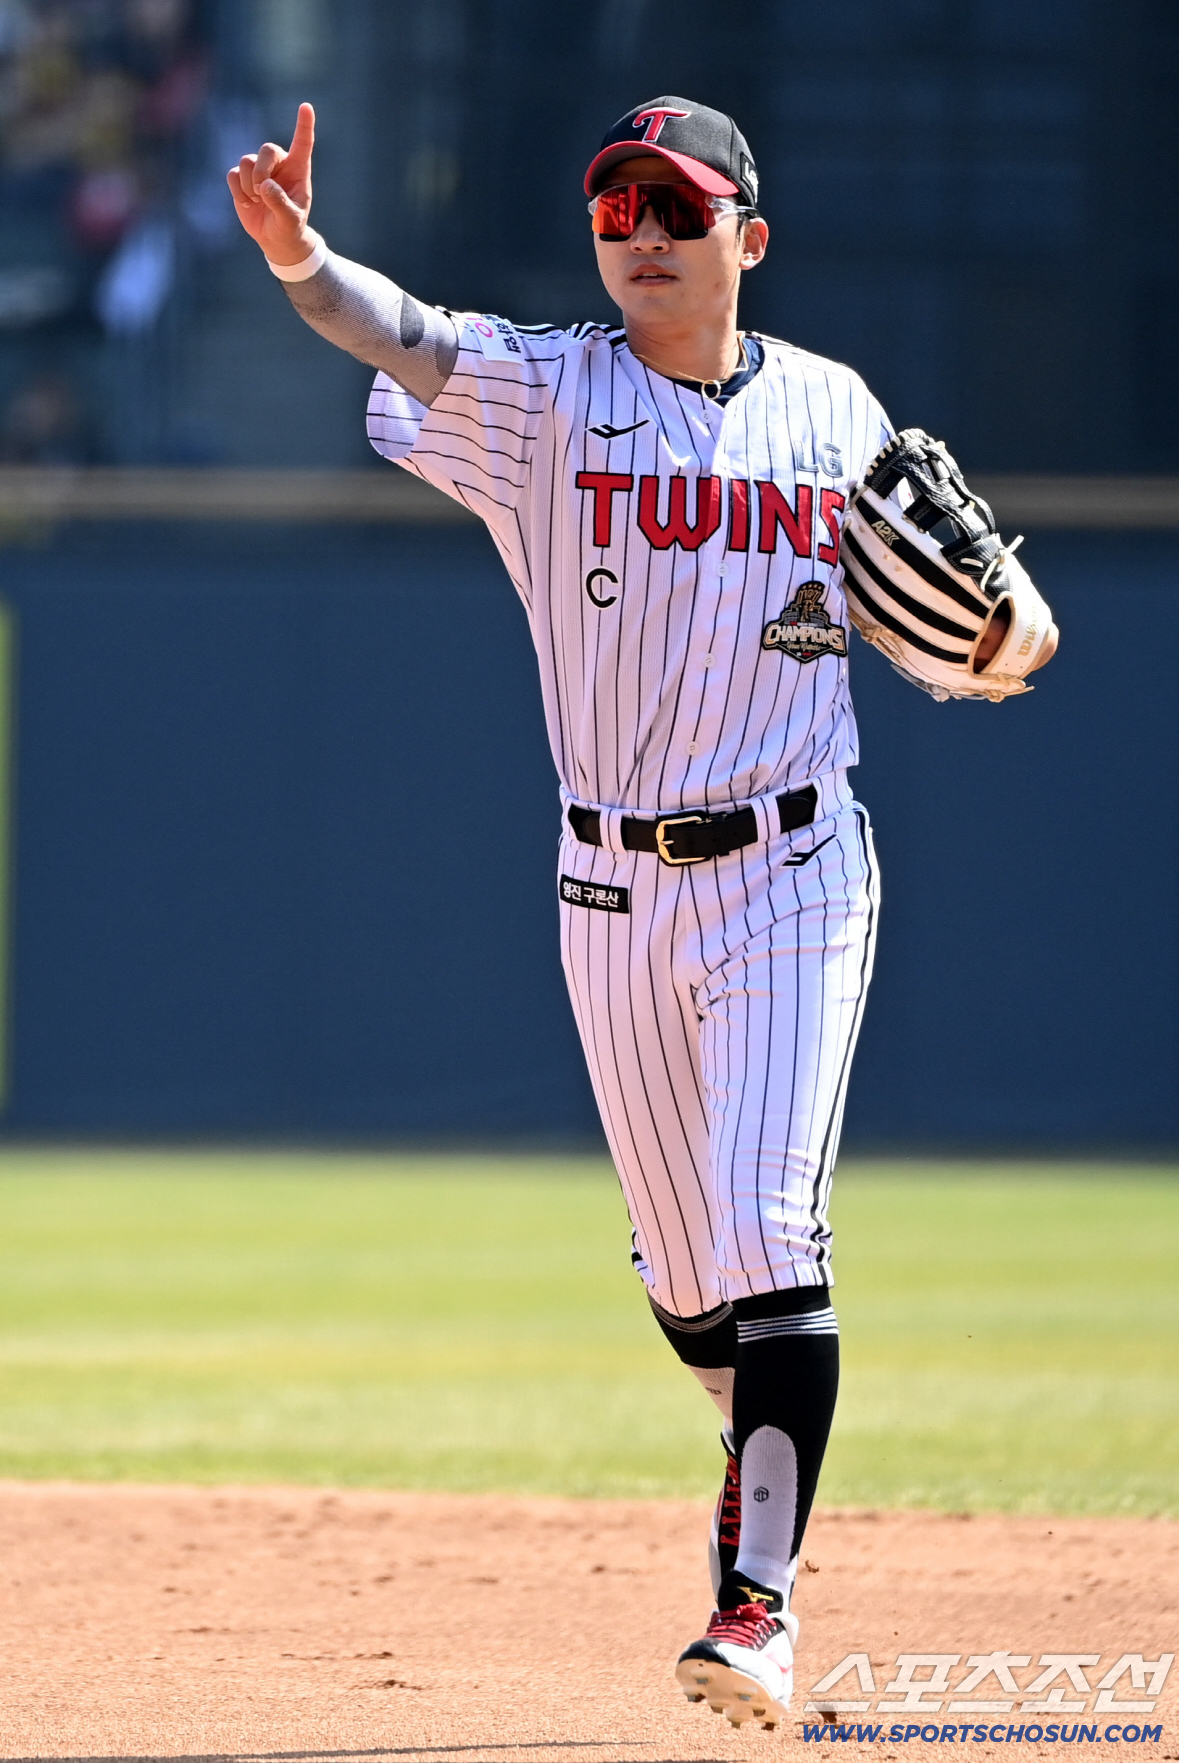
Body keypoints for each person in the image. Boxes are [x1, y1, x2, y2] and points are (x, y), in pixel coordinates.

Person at [228, 95, 1054, 1730]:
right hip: (609, 888)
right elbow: (397, 337)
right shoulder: (548, 397)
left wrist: (1006, 643)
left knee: (765, 1228)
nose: (642, 234)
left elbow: (940, 629)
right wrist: (302, 257)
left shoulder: (833, 412)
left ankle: (756, 1608)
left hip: (793, 869)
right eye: (616, 207)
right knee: (691, 1286)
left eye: (676, 208)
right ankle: (760, 1462)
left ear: (747, 237)